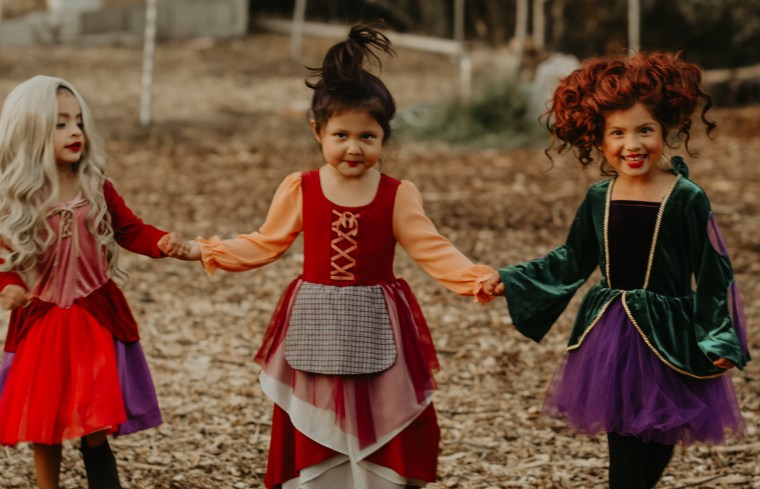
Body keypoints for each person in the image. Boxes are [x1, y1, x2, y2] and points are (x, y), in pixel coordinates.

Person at [170, 23, 500, 488]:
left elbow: (432, 248)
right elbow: (266, 241)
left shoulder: (396, 194)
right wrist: (205, 250)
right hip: (316, 319)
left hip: (377, 319)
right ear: (317, 130)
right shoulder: (301, 189)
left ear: (384, 136)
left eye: (368, 137)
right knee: (320, 412)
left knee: (379, 406)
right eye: (341, 134)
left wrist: (473, 278)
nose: (353, 147)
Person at [492, 51, 750, 488]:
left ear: (665, 129)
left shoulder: (686, 196)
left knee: (657, 447)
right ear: (598, 138)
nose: (632, 145)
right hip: (614, 339)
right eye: (618, 133)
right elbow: (571, 258)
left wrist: (718, 334)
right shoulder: (600, 196)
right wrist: (512, 280)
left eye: (644, 130)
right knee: (625, 457)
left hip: (670, 336)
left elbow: (713, 271)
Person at [0, 75, 189, 489]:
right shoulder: (18, 197)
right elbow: (4, 254)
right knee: (42, 421)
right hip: (43, 322)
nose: (74, 132)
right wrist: (9, 284)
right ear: (29, 131)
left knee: (95, 421)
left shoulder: (96, 188)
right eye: (60, 123)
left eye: (79, 122)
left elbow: (131, 230)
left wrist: (163, 242)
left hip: (93, 318)